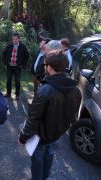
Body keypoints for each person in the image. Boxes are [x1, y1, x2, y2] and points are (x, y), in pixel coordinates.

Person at [18, 50, 82, 180]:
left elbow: (33, 119)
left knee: (37, 162)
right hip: (56, 135)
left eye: (45, 64)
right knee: (49, 155)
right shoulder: (76, 90)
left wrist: (23, 137)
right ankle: (45, 177)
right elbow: (72, 116)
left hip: (40, 138)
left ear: (50, 67)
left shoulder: (45, 90)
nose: (44, 67)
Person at [3, 32, 29, 100]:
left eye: (16, 39)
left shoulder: (22, 46)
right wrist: (5, 63)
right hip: (9, 66)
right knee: (8, 80)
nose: (14, 41)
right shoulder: (9, 45)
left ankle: (17, 94)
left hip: (17, 67)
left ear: (19, 39)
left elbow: (27, 56)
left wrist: (22, 64)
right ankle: (8, 93)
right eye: (13, 39)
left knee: (17, 80)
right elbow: (4, 54)